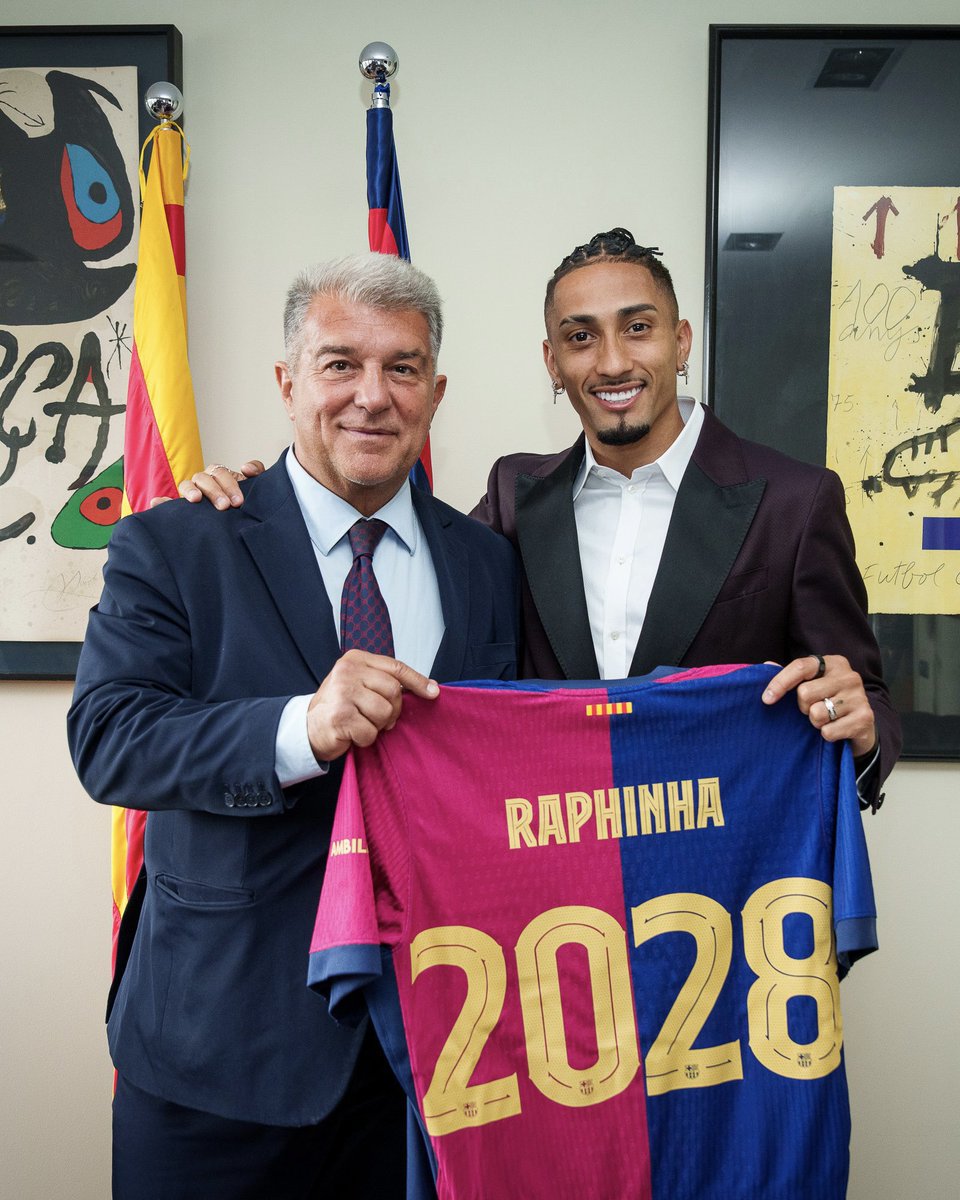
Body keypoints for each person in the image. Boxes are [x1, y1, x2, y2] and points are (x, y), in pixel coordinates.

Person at [68, 253, 519, 1200]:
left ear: (436, 393)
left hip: (426, 1066)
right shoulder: (178, 540)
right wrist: (299, 729)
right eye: (339, 364)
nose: (372, 396)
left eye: (402, 368)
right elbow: (110, 738)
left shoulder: (488, 563)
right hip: (215, 1059)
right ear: (287, 383)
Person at [181, 228, 899, 808]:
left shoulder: (795, 500)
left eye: (638, 328)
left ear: (680, 342)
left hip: (725, 880)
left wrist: (862, 731)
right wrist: (263, 494)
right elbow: (399, 537)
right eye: (580, 338)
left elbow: (865, 697)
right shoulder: (516, 495)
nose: (611, 362)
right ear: (552, 363)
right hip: (551, 895)